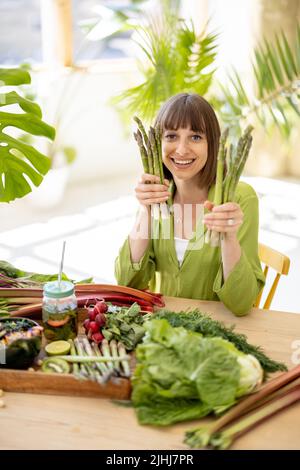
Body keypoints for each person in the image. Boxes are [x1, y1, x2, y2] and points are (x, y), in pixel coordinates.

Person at [115, 93, 265, 316]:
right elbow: (127, 285)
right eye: (172, 136)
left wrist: (229, 236)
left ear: (212, 144)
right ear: (158, 142)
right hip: (162, 330)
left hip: (218, 332)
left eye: (195, 137)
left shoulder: (239, 197)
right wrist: (145, 210)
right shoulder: (159, 196)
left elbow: (242, 303)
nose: (182, 149)